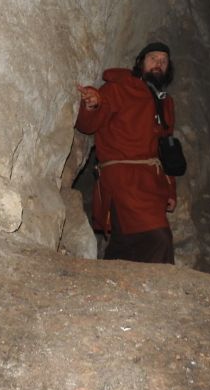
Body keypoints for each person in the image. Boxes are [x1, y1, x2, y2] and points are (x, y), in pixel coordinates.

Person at [75, 42, 178, 264]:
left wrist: (170, 189)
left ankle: (110, 284)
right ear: (140, 63)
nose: (158, 64)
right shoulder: (119, 88)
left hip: (151, 182)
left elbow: (163, 150)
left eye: (163, 61)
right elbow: (88, 125)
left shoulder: (166, 103)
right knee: (157, 238)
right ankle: (157, 291)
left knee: (125, 241)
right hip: (123, 179)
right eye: (153, 58)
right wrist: (92, 104)